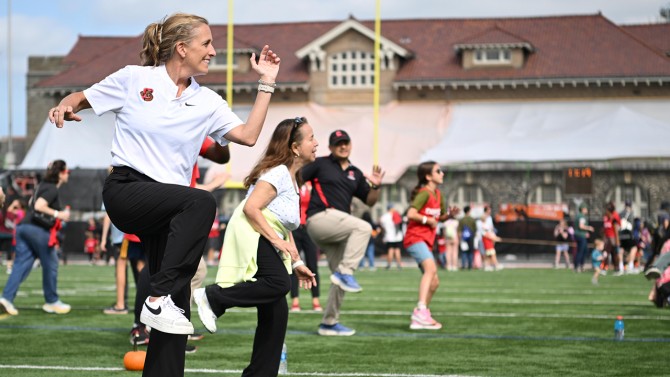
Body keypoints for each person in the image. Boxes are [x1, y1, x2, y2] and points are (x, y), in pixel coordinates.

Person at [47, 13, 281, 377]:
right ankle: (156, 298)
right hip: (126, 190)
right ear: (181, 48)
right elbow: (82, 97)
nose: (213, 51)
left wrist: (267, 82)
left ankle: (162, 305)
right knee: (201, 200)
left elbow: (249, 136)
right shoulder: (135, 78)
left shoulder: (207, 101)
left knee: (178, 308)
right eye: (206, 44)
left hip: (169, 209)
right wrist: (65, 105)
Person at [193, 117, 318, 377]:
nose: (316, 143)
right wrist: (276, 241)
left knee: (277, 312)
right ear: (295, 147)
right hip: (251, 230)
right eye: (311, 138)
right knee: (278, 285)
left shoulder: (294, 178)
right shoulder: (278, 174)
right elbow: (251, 209)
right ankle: (213, 297)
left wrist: (297, 263)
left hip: (266, 233)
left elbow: (284, 226)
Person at [301, 129, 384, 336]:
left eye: (345, 142)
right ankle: (345, 273)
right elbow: (297, 177)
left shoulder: (355, 172)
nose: (343, 146)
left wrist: (375, 185)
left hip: (338, 228)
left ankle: (329, 323)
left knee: (339, 282)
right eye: (338, 143)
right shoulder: (320, 164)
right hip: (319, 219)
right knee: (364, 227)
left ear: (350, 145)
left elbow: (370, 201)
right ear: (330, 147)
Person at [0, 160, 72, 316]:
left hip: (23, 227)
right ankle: (52, 301)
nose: (68, 174)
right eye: (67, 171)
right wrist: (59, 214)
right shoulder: (52, 188)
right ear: (60, 173)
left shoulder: (41, 186)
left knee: (21, 264)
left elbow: (32, 203)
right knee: (51, 263)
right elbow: (39, 206)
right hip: (37, 230)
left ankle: (6, 299)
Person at [403, 161, 449, 330]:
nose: (442, 173)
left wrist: (449, 215)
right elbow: (411, 213)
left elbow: (441, 217)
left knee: (434, 282)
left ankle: (420, 316)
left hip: (427, 241)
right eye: (438, 171)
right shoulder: (424, 193)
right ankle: (421, 310)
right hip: (415, 238)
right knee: (431, 269)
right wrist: (427, 220)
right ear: (428, 176)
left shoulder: (438, 195)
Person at [289, 182, 322, 312]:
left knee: (313, 265)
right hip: (294, 229)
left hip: (309, 228)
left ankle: (315, 300)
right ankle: (295, 300)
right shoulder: (292, 181)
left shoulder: (313, 183)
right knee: (294, 265)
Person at [380, 204, 404, 270]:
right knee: (397, 250)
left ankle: (389, 265)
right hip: (398, 236)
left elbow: (382, 227)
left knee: (390, 250)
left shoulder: (384, 217)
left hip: (389, 236)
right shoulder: (397, 215)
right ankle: (399, 265)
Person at [573, 204, 594, 273]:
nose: (587, 210)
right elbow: (581, 226)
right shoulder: (581, 216)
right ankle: (578, 266)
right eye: (586, 209)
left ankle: (579, 266)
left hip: (579, 235)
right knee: (582, 251)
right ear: (583, 209)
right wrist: (589, 228)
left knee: (582, 251)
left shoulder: (578, 216)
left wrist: (585, 233)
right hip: (581, 236)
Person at [602, 202, 621, 275]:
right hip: (607, 237)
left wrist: (617, 240)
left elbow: (616, 230)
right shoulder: (606, 217)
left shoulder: (614, 217)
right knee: (608, 253)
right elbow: (605, 228)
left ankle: (616, 268)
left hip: (612, 238)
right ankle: (612, 268)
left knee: (613, 253)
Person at [458, 205, 477, 270]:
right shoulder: (472, 219)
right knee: (470, 251)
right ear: (469, 211)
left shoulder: (462, 220)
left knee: (464, 251)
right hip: (471, 237)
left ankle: (463, 265)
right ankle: (470, 265)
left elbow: (459, 229)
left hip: (463, 237)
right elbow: (475, 229)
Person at [443, 207, 460, 271]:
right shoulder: (456, 222)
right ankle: (454, 266)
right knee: (455, 252)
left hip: (448, 238)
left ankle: (449, 265)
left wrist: (444, 238)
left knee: (448, 252)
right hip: (455, 237)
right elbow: (458, 231)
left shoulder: (446, 222)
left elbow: (444, 232)